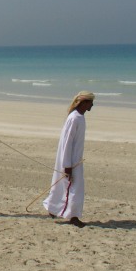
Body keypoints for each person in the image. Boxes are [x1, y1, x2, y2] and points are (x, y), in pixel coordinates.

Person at [43, 91, 95, 228]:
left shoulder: (79, 117)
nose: (92, 105)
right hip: (70, 160)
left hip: (75, 159)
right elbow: (67, 142)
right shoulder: (74, 118)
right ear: (84, 102)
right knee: (74, 188)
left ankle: (53, 208)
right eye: (90, 102)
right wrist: (67, 165)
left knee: (65, 186)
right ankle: (73, 217)